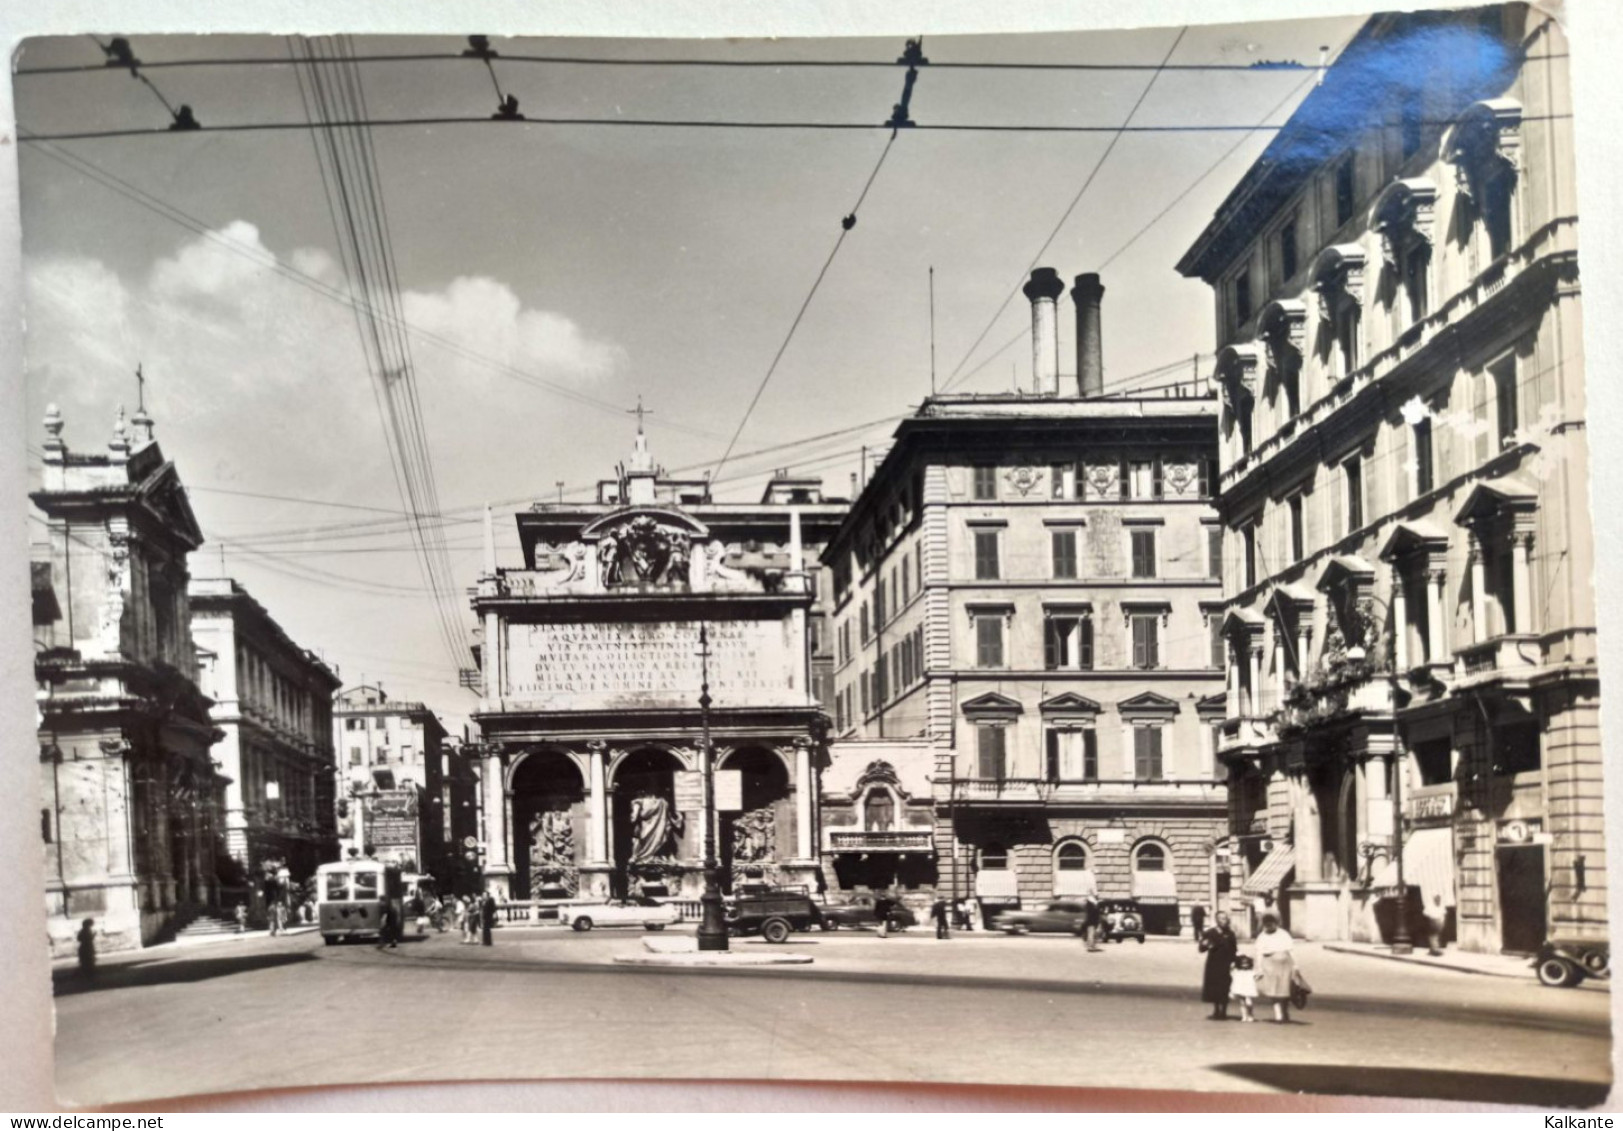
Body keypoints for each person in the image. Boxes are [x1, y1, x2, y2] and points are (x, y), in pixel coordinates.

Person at [1254, 913, 1298, 1023]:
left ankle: (1284, 1010)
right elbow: (1259, 953)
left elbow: (1291, 950)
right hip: (1269, 965)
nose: (1269, 927)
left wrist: (1296, 964)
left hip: (1284, 965)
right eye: (1266, 925)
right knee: (1273, 990)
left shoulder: (1283, 934)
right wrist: (1259, 967)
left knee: (1284, 990)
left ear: (1275, 923)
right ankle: (1278, 1013)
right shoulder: (1262, 936)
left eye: (1271, 924)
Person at [1198, 911, 1237, 1020]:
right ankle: (1216, 1010)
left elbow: (1234, 949)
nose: (1224, 921)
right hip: (1213, 963)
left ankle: (1224, 1011)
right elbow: (1201, 949)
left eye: (1225, 918)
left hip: (1226, 963)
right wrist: (1206, 945)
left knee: (1225, 986)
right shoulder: (1210, 933)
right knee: (1214, 986)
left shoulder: (1230, 933)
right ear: (1217, 920)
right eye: (1221, 918)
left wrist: (1234, 962)